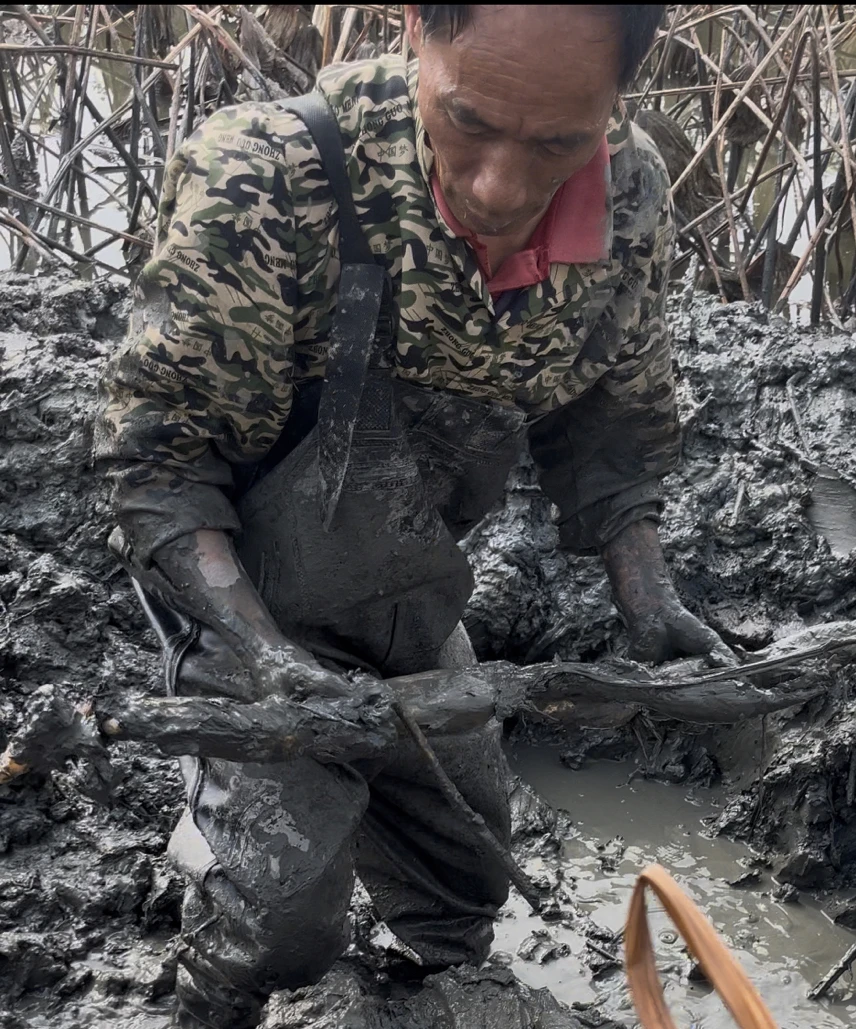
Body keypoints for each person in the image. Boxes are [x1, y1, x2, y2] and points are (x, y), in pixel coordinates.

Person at [94, 5, 736, 1027]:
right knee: (284, 917)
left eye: (560, 143)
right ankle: (205, 992)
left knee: (466, 876)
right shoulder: (270, 175)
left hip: (414, 599)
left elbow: (611, 420)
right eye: (469, 121)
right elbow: (162, 468)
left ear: (618, 94)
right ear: (412, 33)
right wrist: (271, 667)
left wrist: (646, 589)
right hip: (247, 604)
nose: (504, 188)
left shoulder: (629, 190)